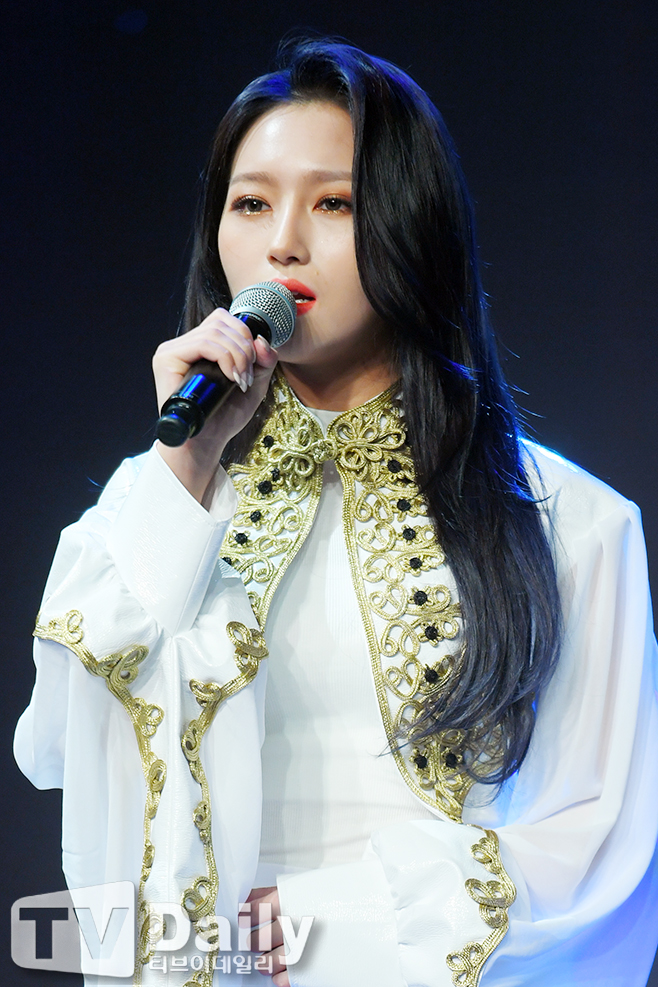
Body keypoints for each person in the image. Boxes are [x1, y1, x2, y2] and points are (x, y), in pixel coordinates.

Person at [14, 37, 658, 987]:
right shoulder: (153, 500)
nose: (282, 242)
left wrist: (334, 921)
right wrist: (183, 466)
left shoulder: (573, 524)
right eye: (251, 203)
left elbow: (601, 855)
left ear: (411, 222)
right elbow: (56, 744)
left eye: (333, 203)